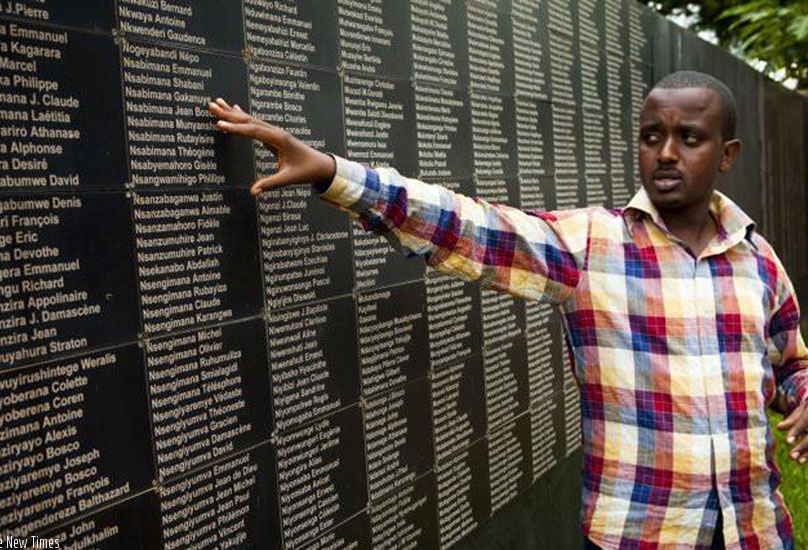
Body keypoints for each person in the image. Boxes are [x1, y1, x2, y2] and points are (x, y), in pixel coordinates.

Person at [207, 71, 808, 549]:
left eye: (690, 138)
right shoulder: (591, 246)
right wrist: (336, 174)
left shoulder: (757, 261)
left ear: (727, 153)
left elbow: (789, 369)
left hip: (755, 531)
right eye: (652, 136)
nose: (666, 153)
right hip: (640, 535)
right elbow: (470, 227)